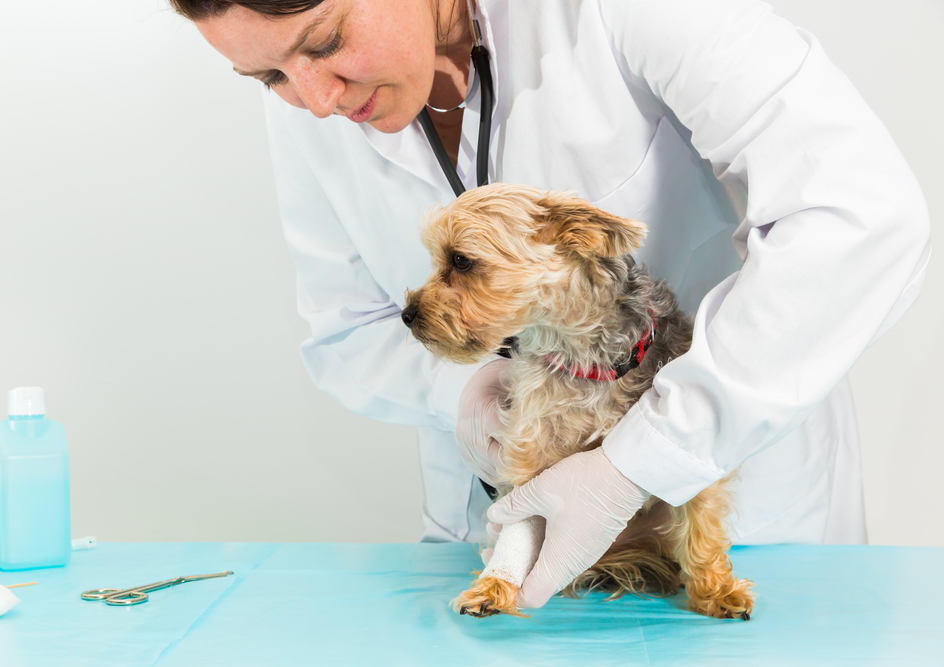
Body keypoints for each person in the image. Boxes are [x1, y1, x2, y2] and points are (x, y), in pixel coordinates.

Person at [173, 0, 931, 610]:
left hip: (734, 502)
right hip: (509, 530)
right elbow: (348, 331)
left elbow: (858, 213)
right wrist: (479, 399)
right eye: (266, 75)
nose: (313, 99)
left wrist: (646, 458)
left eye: (327, 38)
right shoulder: (307, 107)